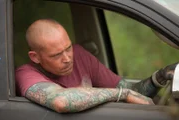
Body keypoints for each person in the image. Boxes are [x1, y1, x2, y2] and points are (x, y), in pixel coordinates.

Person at [15, 19, 177, 113]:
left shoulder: (79, 55)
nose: (68, 58)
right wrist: (122, 94)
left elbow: (134, 92)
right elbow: (61, 101)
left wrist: (159, 77)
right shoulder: (25, 74)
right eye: (56, 55)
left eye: (68, 48)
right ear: (35, 57)